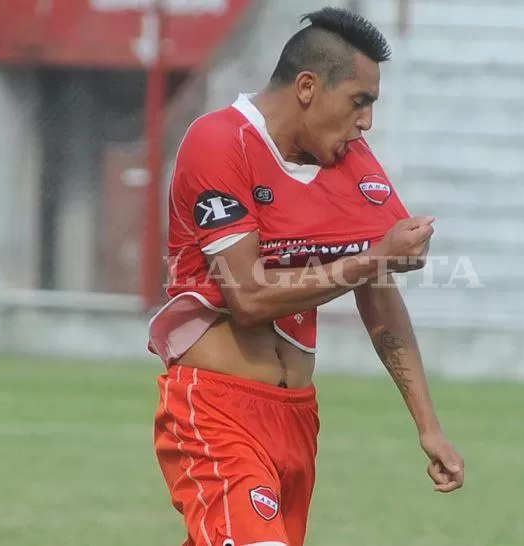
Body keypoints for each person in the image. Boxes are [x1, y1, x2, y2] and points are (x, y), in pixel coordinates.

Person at [147, 7, 465, 546]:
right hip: (217, 410)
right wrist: (372, 258)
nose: (366, 122)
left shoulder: (349, 160)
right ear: (308, 87)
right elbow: (246, 297)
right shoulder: (220, 142)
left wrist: (428, 426)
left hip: (296, 419)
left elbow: (379, 296)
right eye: (359, 102)